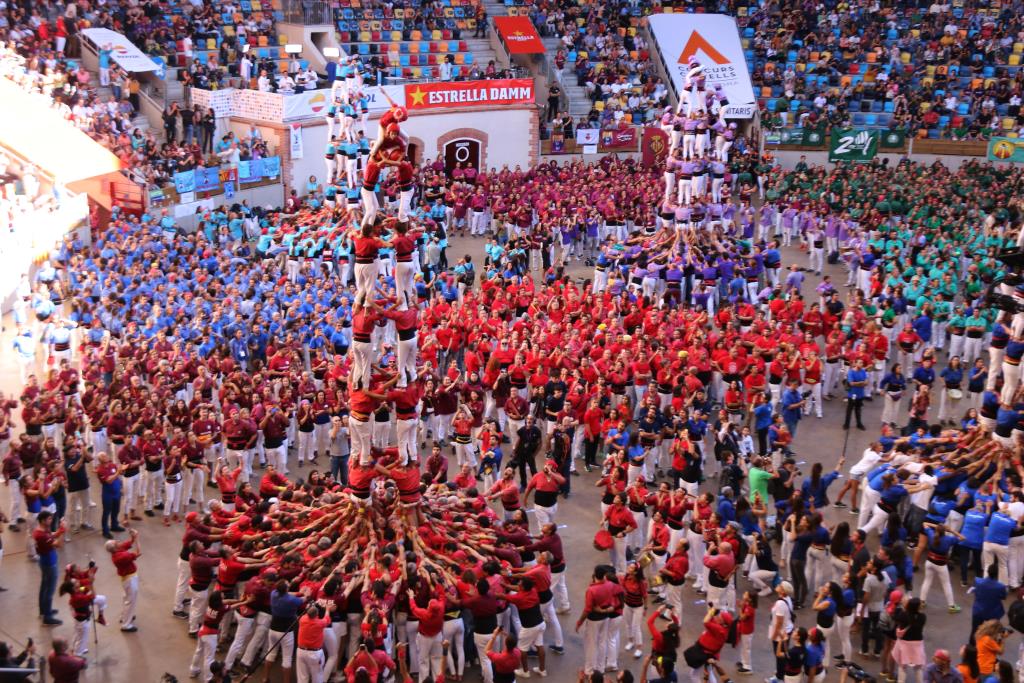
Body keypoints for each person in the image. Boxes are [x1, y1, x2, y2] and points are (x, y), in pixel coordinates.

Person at [106, 527, 142, 632]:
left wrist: (133, 536)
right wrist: (137, 538)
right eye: (116, 542)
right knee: (131, 601)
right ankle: (126, 625)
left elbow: (128, 543)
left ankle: (125, 616)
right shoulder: (121, 556)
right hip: (130, 579)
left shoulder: (117, 551)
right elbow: (138, 552)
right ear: (114, 548)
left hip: (127, 579)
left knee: (127, 598)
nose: (118, 541)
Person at [33, 509, 65, 625]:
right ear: (42, 520)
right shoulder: (41, 535)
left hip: (45, 561)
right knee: (49, 591)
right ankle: (47, 617)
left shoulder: (40, 531)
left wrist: (58, 531)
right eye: (49, 519)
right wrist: (62, 532)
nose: (51, 520)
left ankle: (44, 610)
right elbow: (59, 544)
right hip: (49, 564)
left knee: (44, 587)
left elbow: (51, 536)